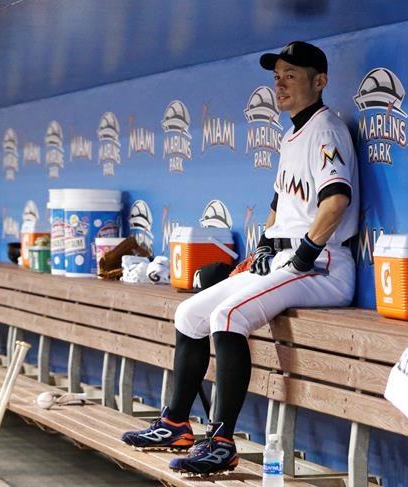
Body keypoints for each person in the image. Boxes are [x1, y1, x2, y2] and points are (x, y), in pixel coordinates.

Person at [121, 40, 359, 476]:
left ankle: (222, 441)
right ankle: (176, 422)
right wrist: (265, 245)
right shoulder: (292, 134)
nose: (280, 84)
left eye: (292, 75)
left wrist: (303, 254)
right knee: (191, 314)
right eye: (277, 76)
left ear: (320, 81)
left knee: (227, 315)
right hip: (288, 260)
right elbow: (280, 203)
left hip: (323, 266)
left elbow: (335, 200)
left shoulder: (325, 129)